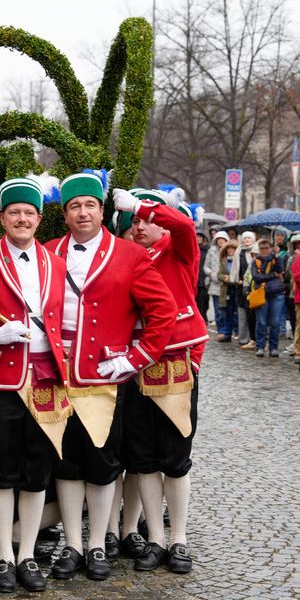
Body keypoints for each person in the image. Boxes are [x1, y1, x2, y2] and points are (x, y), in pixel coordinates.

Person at [44, 173, 176, 582]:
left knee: (103, 464)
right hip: (57, 372)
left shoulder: (130, 255)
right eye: (74, 206)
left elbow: (163, 312)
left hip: (104, 375)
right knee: (66, 465)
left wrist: (136, 358)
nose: (82, 212)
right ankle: (71, 543)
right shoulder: (47, 252)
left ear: (102, 211)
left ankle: (98, 544)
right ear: (64, 214)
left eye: (90, 205)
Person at [0, 177, 68, 594]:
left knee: (37, 472)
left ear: (39, 218)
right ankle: (4, 555)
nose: (22, 219)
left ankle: (28, 554)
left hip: (44, 379)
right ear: (2, 219)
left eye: (29, 212)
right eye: (14, 212)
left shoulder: (55, 262)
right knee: (0, 472)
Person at [113, 187, 209, 575]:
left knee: (175, 459)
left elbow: (184, 225)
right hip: (136, 366)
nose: (140, 226)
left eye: (146, 221)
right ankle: (154, 537)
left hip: (174, 364)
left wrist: (144, 207)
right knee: (144, 460)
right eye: (134, 221)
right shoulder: (131, 257)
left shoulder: (179, 248)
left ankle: (179, 538)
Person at [251, 239, 286, 357]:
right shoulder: (256, 261)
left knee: (275, 322)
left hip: (276, 293)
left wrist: (277, 257)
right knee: (261, 322)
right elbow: (256, 277)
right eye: (262, 248)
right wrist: (273, 275)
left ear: (271, 248)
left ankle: (273, 347)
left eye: (266, 248)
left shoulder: (276, 259)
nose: (264, 250)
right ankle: (260, 346)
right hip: (262, 293)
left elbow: (281, 270)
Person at [216, 240, 241, 343]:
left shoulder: (239, 260)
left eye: (232, 249)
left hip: (236, 288)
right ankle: (227, 333)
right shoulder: (224, 261)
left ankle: (239, 333)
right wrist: (224, 277)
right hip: (226, 289)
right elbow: (219, 275)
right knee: (227, 313)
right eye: (228, 249)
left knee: (238, 313)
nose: (230, 250)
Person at [236, 231, 257, 349]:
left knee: (252, 313)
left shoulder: (256, 250)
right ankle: (243, 337)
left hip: (253, 286)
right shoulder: (239, 251)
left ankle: (252, 337)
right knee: (242, 312)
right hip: (240, 285)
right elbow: (236, 267)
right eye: (245, 238)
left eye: (249, 238)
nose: (247, 240)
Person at [205, 231, 228, 337]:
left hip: (226, 283)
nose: (221, 241)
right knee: (218, 309)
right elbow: (206, 266)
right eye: (219, 239)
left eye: (223, 239)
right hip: (214, 284)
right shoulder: (211, 251)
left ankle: (228, 329)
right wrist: (212, 274)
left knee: (226, 309)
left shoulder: (230, 251)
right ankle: (221, 330)